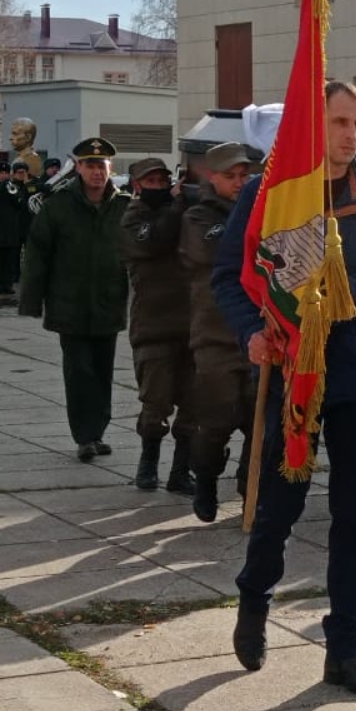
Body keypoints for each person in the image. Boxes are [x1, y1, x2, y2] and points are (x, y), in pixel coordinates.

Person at [217, 81, 356, 697]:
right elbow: (231, 275)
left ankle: (345, 647)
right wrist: (254, 331)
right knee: (279, 506)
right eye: (340, 121)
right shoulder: (267, 192)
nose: (351, 133)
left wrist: (321, 302)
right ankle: (254, 599)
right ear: (311, 125)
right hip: (292, 374)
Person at [19, 138, 131, 463]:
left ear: (111, 167)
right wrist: (32, 300)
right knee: (79, 371)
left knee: (102, 371)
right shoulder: (59, 206)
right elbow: (38, 255)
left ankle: (98, 432)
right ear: (78, 167)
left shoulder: (123, 204)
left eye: (103, 165)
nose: (98, 171)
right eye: (91, 165)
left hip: (108, 301)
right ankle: (84, 436)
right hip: (69, 303)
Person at [180, 143, 257, 522]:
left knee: (261, 423)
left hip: (257, 335)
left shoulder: (259, 210)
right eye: (231, 176)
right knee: (215, 422)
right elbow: (220, 251)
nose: (240, 182)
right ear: (213, 177)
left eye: (245, 175)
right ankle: (206, 478)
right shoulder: (197, 217)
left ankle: (251, 490)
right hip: (215, 338)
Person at [119, 157, 197, 493]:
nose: (158, 187)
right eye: (150, 182)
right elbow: (152, 241)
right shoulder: (133, 218)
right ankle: (148, 463)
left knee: (194, 407)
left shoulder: (184, 213)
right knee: (156, 404)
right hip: (153, 328)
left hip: (193, 327)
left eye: (162, 181)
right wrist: (178, 204)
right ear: (137, 186)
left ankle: (181, 471)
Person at [0, 161, 27, 296]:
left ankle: (8, 284)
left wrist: (13, 194)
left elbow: (21, 204)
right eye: (1, 173)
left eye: (6, 173)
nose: (4, 175)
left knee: (10, 259)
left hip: (11, 229)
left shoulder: (14, 188)